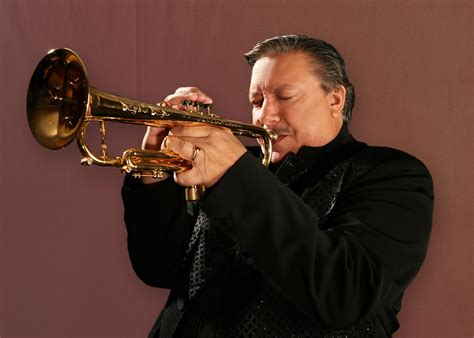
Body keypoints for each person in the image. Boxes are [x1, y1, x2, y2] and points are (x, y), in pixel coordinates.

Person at [121, 35, 433, 337]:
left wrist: (234, 173)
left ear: (335, 99)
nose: (264, 116)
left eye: (284, 97)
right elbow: (159, 267)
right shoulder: (234, 166)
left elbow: (343, 293)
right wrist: (153, 166)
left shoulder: (393, 176)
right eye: (256, 101)